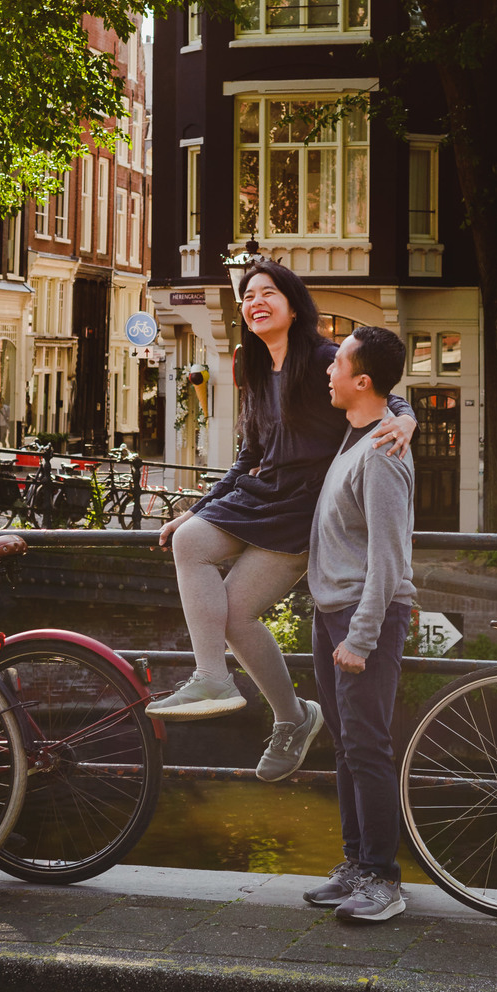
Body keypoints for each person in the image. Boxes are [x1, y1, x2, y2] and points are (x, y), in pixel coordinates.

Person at [147, 261, 416, 785]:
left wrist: (405, 418)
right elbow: (250, 452)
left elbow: (380, 389)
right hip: (261, 493)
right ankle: (290, 714)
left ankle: (216, 681)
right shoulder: (252, 366)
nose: (256, 302)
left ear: (293, 306)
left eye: (269, 292)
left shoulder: (321, 358)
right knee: (194, 547)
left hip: (302, 509)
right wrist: (199, 506)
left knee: (227, 600)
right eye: (248, 296)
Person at [303, 325, 415, 923]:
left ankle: (383, 881)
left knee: (368, 747)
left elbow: (390, 557)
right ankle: (356, 865)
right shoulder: (361, 435)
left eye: (338, 362)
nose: (328, 369)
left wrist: (363, 634)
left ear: (361, 380)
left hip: (362, 616)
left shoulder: (384, 454)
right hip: (331, 613)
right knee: (347, 746)